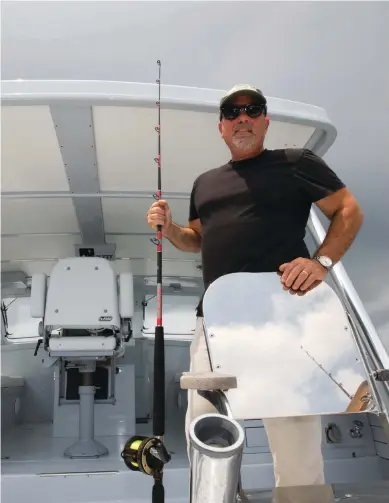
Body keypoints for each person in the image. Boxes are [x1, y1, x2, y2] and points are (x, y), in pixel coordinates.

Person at [146, 84, 364, 489]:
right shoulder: (205, 183)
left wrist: (321, 263)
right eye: (232, 112)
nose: (241, 118)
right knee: (207, 434)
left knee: (295, 442)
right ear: (221, 128)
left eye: (252, 110)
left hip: (283, 317)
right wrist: (170, 228)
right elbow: (197, 239)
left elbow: (348, 209)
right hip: (215, 324)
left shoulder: (296, 162)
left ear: (265, 120)